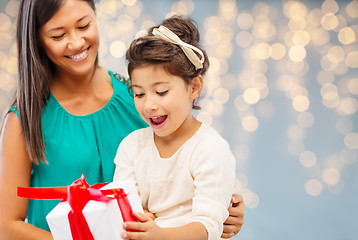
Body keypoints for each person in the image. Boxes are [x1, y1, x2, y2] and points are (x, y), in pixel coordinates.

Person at [0, 0, 244, 239]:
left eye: (84, 26)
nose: (76, 42)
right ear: (37, 41)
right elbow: (7, 227)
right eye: (57, 36)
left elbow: (185, 175)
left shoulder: (140, 100)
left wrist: (225, 208)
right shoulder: (24, 120)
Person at [113, 16, 237, 240]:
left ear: (194, 87)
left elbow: (207, 227)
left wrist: (159, 234)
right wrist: (137, 218)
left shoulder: (211, 150)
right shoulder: (131, 146)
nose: (149, 105)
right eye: (139, 93)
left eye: (161, 92)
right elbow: (122, 210)